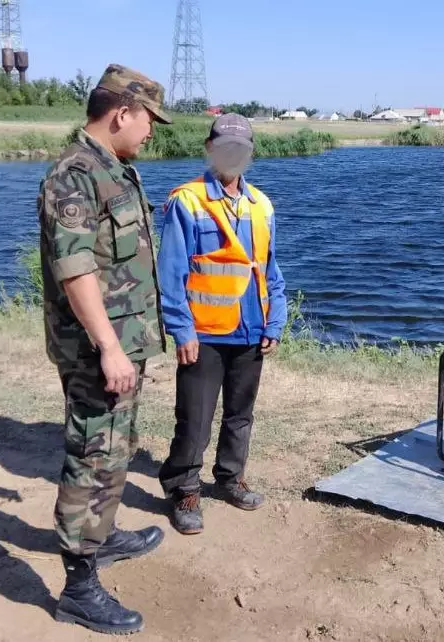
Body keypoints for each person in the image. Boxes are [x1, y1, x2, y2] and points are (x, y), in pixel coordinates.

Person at [36, 63, 172, 635]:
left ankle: (105, 532)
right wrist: (110, 348)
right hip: (99, 349)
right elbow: (76, 271)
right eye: (147, 121)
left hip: (124, 341)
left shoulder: (115, 169)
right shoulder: (75, 174)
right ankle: (79, 586)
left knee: (117, 446)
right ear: (122, 113)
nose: (150, 132)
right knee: (93, 452)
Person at [156, 113, 287, 535]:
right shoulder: (188, 201)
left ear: (250, 153)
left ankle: (230, 477)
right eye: (224, 146)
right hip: (205, 332)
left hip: (251, 329)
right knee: (195, 417)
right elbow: (171, 271)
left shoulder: (262, 205)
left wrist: (275, 322)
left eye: (241, 148)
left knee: (240, 415)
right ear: (210, 149)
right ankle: (184, 488)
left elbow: (269, 270)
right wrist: (182, 329)